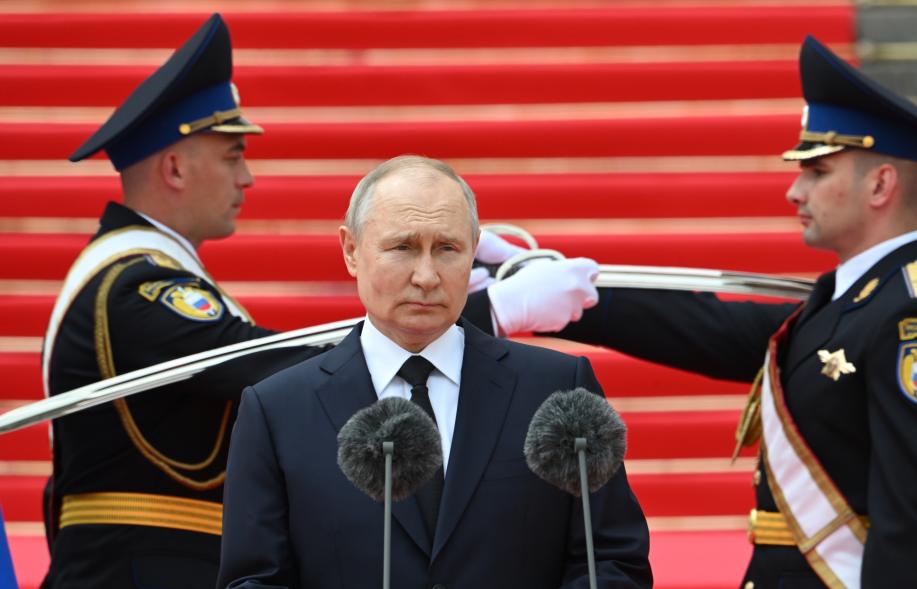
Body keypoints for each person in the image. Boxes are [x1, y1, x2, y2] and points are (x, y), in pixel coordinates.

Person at [39, 14, 599, 589]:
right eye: (233, 155)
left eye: (446, 250)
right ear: (176, 166)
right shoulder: (135, 288)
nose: (248, 177)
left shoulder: (141, 275)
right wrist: (488, 314)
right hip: (133, 570)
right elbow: (287, 369)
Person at [546, 36, 917, 588]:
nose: (795, 190)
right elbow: (711, 330)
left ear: (881, 185)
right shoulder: (857, 297)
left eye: (817, 173)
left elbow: (916, 527)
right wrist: (575, 298)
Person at [216, 155, 652, 588]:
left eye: (447, 248)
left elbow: (613, 561)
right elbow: (254, 579)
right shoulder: (278, 410)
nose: (426, 276)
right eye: (402, 247)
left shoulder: (556, 389)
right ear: (351, 250)